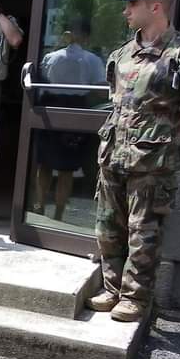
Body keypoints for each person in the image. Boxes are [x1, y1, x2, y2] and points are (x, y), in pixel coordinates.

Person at [86, 0, 180, 322]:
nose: (126, 11)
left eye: (133, 3)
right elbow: (118, 103)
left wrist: (161, 140)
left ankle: (136, 298)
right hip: (113, 155)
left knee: (144, 232)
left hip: (152, 164)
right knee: (108, 227)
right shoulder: (120, 55)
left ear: (155, 6)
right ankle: (112, 289)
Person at [33, 18, 105, 220]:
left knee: (49, 165)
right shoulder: (92, 60)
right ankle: (56, 213)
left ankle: (44, 208)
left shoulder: (52, 57)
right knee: (61, 167)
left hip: (53, 105)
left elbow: (40, 79)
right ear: (88, 38)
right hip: (72, 106)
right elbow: (101, 92)